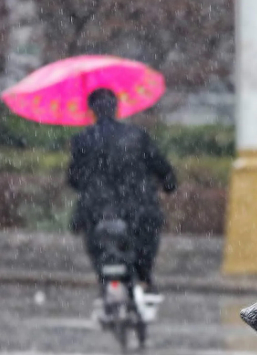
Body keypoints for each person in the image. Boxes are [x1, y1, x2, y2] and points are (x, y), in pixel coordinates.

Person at [67, 88, 177, 293]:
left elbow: (73, 179)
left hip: (97, 211)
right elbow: (162, 168)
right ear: (116, 108)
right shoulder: (137, 136)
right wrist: (168, 185)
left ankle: (104, 281)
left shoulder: (82, 140)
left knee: (98, 247)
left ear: (92, 111)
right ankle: (144, 279)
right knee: (145, 245)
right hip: (139, 208)